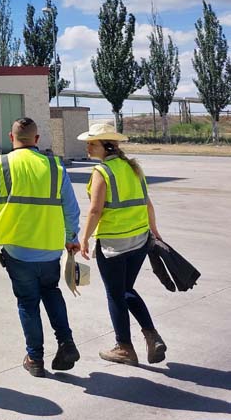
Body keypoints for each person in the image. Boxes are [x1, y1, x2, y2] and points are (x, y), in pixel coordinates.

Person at [0, 117, 81, 377]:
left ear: (11, 138)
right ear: (37, 140)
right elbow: (71, 207)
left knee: (28, 302)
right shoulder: (55, 167)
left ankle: (35, 358)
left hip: (18, 250)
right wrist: (71, 236)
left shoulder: (2, 165)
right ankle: (66, 341)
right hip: (51, 247)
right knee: (51, 292)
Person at [77, 123, 167, 366]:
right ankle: (151, 336)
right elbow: (147, 203)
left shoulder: (102, 171)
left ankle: (124, 347)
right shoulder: (133, 167)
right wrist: (154, 231)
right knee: (126, 289)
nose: (87, 146)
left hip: (113, 244)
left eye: (92, 143)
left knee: (116, 294)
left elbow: (95, 209)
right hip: (139, 240)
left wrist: (84, 238)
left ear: (105, 146)